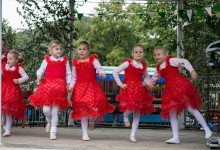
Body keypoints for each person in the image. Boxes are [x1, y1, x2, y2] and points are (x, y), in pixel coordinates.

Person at [147, 46, 212, 144]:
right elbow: (154, 79)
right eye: (155, 55)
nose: (156, 56)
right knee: (172, 113)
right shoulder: (158, 69)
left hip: (180, 87)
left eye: (159, 54)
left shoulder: (171, 60)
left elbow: (184, 61)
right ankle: (175, 137)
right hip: (170, 91)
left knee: (191, 108)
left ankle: (207, 129)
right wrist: (151, 85)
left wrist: (191, 70)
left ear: (165, 55)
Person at [68, 40, 115, 141]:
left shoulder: (93, 60)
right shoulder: (75, 63)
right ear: (77, 51)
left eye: (84, 49)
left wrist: (102, 73)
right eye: (80, 49)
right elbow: (73, 77)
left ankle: (92, 121)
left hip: (91, 87)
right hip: (80, 89)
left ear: (88, 51)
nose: (82, 51)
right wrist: (71, 86)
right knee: (83, 111)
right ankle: (85, 134)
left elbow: (99, 68)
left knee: (95, 107)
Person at [112, 44, 156, 143]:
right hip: (129, 89)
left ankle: (133, 135)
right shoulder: (128, 63)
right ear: (132, 54)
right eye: (136, 52)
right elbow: (115, 72)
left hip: (140, 90)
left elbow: (147, 77)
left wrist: (146, 82)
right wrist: (120, 84)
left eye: (140, 52)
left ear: (144, 54)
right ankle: (125, 115)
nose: (138, 54)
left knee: (137, 112)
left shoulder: (143, 66)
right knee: (131, 108)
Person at [28, 40, 71, 140]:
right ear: (51, 50)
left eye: (60, 49)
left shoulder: (65, 61)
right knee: (46, 110)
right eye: (56, 49)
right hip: (47, 88)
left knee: (55, 111)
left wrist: (68, 83)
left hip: (59, 88)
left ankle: (53, 132)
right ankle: (49, 121)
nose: (59, 51)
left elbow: (68, 73)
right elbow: (40, 70)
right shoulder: (47, 60)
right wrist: (39, 76)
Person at [1, 50, 29, 137]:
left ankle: (8, 130)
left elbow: (26, 77)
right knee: (2, 107)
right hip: (3, 90)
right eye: (7, 59)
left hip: (13, 91)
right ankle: (2, 120)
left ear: (16, 60)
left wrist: (18, 80)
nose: (8, 60)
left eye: (10, 59)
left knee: (9, 111)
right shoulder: (3, 67)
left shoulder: (19, 68)